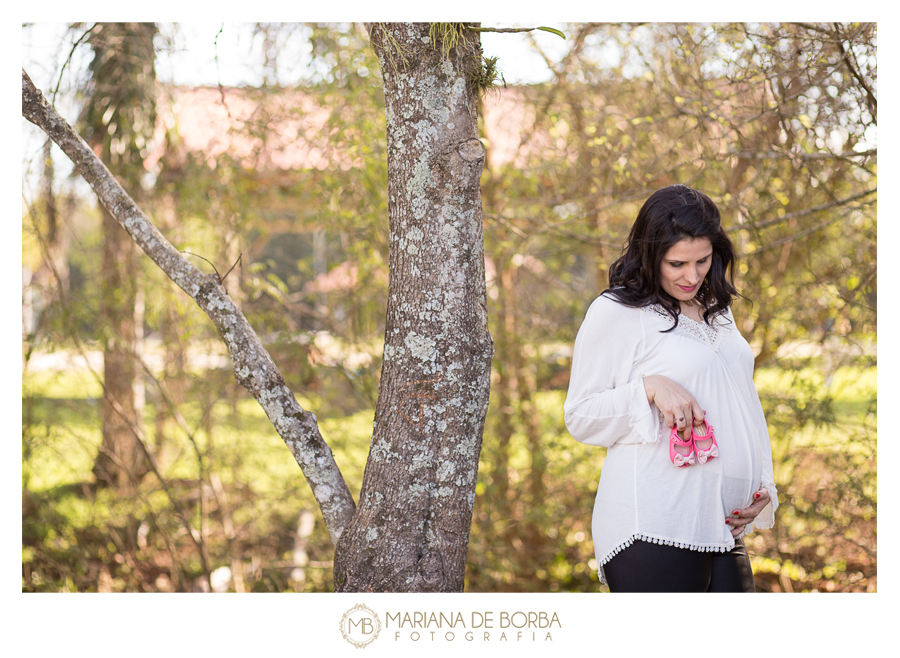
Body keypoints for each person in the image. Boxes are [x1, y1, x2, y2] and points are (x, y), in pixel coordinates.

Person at [564, 184, 777, 592]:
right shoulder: (618, 312)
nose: (692, 275)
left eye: (703, 260)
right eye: (677, 263)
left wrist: (764, 482)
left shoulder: (717, 311)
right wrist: (648, 386)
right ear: (650, 255)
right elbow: (580, 416)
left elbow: (743, 401)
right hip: (656, 524)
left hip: (723, 525)